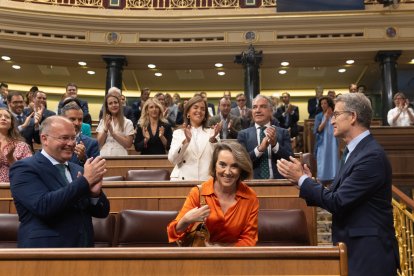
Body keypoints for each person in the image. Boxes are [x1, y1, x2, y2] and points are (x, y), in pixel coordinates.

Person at [276, 93, 399, 276]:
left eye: (336, 115)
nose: (332, 120)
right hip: (356, 249)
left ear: (353, 117)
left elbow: (338, 202)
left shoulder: (371, 156)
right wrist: (310, 181)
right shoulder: (353, 151)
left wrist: (303, 181)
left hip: (370, 254)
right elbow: (337, 194)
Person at [9, 116, 110, 248]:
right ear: (44, 139)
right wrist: (85, 182)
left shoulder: (78, 169)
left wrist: (94, 195)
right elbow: (43, 206)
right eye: (64, 138)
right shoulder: (24, 168)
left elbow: (102, 213)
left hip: (83, 251)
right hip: (44, 253)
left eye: (73, 138)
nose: (71, 143)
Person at [167, 141, 258, 246]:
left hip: (236, 259)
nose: (227, 172)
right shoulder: (198, 193)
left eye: (234, 166)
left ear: (241, 168)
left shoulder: (250, 196)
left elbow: (249, 240)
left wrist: (222, 252)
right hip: (201, 259)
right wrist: (186, 220)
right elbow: (173, 234)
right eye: (222, 165)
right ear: (214, 165)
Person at [237, 95, 293, 179]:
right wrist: (260, 149)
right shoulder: (243, 134)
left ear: (271, 111)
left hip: (279, 184)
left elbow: (290, 159)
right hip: (252, 184)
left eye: (263, 106)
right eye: (254, 107)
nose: (258, 111)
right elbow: (241, 161)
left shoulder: (283, 133)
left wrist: (275, 145)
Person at [168, 95, 220, 181]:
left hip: (206, 181)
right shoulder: (179, 133)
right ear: (188, 112)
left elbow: (218, 159)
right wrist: (186, 142)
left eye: (203, 109)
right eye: (195, 107)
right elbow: (173, 160)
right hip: (182, 180)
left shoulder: (212, 132)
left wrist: (212, 140)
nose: (199, 111)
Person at [60, 100, 100, 166]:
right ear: (62, 119)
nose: (77, 123)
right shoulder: (53, 140)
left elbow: (96, 172)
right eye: (72, 119)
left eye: (80, 119)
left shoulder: (92, 144)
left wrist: (83, 158)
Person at [0, 108, 32, 182]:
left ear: (11, 124)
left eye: (7, 117)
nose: (3, 118)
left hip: (14, 188)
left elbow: (28, 172)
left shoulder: (22, 145)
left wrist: (11, 159)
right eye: (0, 116)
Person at [313, 96, 338, 184]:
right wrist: (326, 119)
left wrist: (331, 116)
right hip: (323, 141)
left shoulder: (335, 115)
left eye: (325, 103)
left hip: (333, 140)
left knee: (333, 157)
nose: (323, 105)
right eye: (321, 104)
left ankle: (334, 176)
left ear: (329, 104)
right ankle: (322, 177)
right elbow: (317, 130)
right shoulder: (319, 116)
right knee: (322, 159)